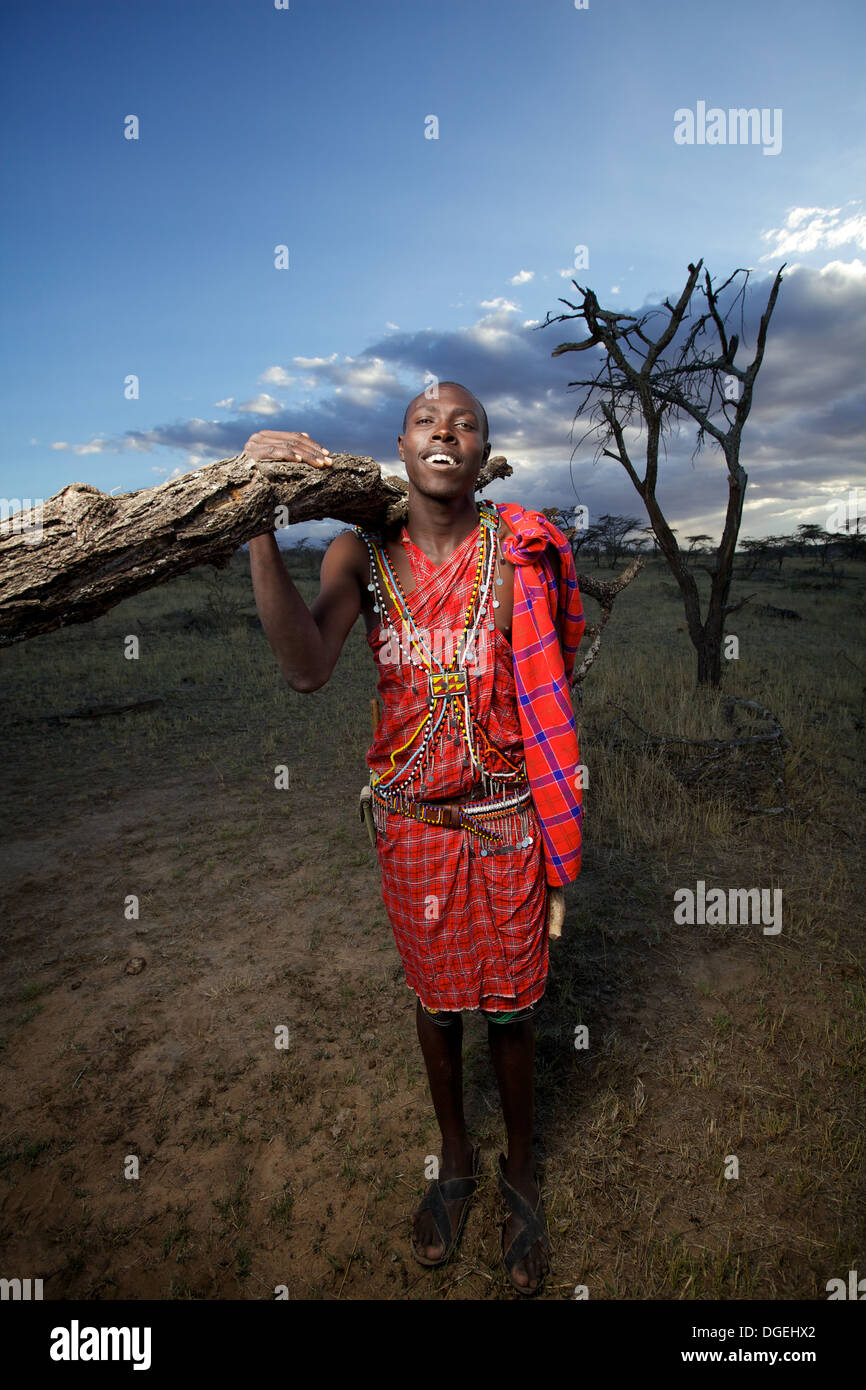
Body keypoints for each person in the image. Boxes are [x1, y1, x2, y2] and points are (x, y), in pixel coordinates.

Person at [244, 382, 584, 1294]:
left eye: (467, 424)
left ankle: (521, 1171)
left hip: (506, 825)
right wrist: (254, 526)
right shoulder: (361, 554)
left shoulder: (515, 557)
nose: (447, 431)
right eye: (428, 421)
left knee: (511, 1011)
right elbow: (309, 668)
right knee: (438, 1002)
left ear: (483, 455)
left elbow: (555, 677)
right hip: (414, 828)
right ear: (401, 447)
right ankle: (455, 1158)